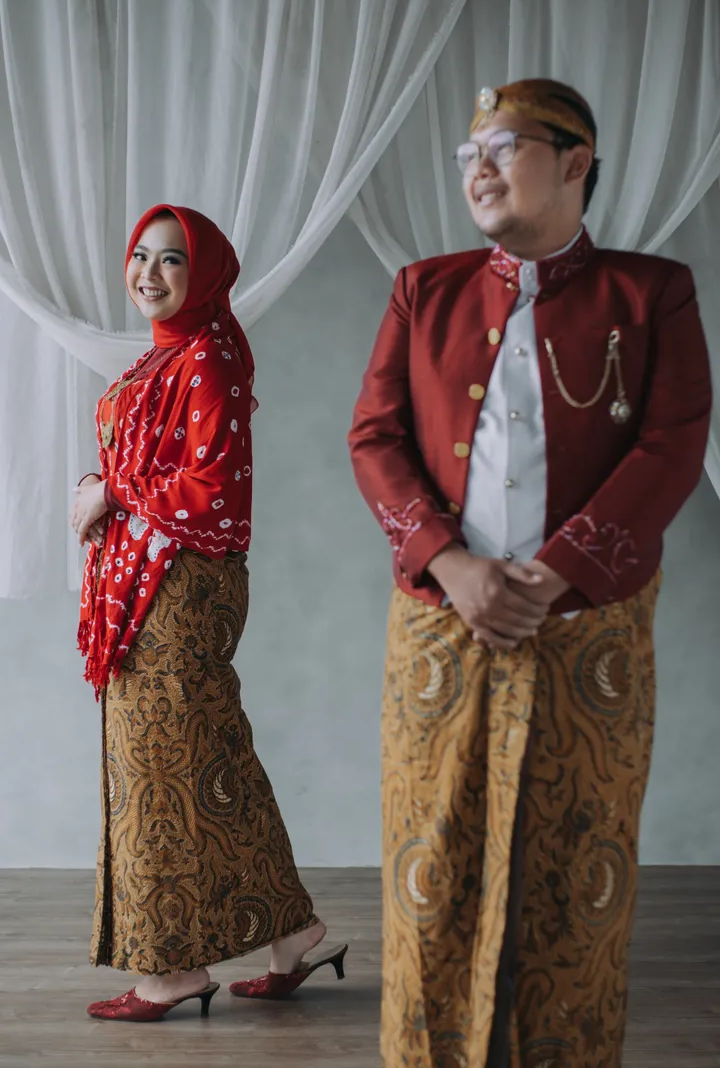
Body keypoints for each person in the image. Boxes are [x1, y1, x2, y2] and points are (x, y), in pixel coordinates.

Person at [348, 79, 712, 1067]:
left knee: (576, 866)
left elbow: (674, 442)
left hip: (587, 630)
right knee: (432, 862)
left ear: (576, 160)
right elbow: (374, 437)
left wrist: (555, 577)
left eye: (503, 147)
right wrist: (453, 565)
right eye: (468, 154)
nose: (478, 168)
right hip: (443, 621)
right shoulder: (424, 289)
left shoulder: (651, 293)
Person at [70, 205, 347, 1022]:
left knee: (155, 768)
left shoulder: (209, 356)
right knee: (207, 759)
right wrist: (100, 487)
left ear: (206, 275)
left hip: (180, 589)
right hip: (151, 583)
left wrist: (111, 491)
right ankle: (295, 934)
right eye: (140, 256)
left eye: (172, 260)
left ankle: (171, 971)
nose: (149, 273)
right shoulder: (161, 359)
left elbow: (210, 488)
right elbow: (145, 466)